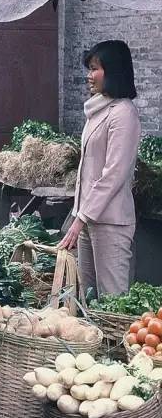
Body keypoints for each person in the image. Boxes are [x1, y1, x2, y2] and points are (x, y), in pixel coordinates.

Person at [59, 40, 141, 298]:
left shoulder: (123, 113)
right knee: (87, 299)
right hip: (89, 219)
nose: (89, 76)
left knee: (111, 301)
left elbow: (113, 174)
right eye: (89, 68)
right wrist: (78, 215)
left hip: (111, 223)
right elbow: (88, 171)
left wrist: (80, 218)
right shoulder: (98, 110)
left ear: (113, 71)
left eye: (95, 68)